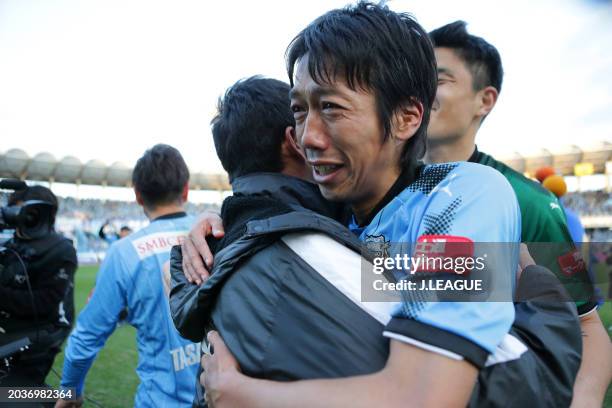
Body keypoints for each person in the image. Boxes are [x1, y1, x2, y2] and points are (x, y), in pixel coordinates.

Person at [175, 3, 580, 407]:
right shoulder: (335, 214)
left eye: (331, 107)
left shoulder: (462, 197)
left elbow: (426, 397)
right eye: (300, 110)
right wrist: (218, 221)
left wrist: (244, 395)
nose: (307, 137)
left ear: (405, 118)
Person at [425, 20, 612, 406]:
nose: (423, 90)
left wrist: (584, 398)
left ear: (485, 100)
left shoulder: (525, 201)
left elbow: (588, 327)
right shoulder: (374, 187)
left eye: (439, 79)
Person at [56, 145, 199, 407]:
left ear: (138, 196)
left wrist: (69, 392)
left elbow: (87, 336)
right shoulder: (219, 232)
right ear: (186, 189)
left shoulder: (125, 253)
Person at [0, 186, 77, 387]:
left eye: (21, 210)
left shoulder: (60, 249)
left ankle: (59, 398)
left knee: (15, 391)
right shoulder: (12, 244)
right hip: (15, 325)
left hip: (46, 331)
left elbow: (44, 303)